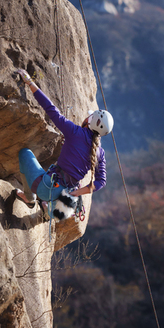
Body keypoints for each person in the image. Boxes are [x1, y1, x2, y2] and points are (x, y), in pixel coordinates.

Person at [14, 68, 113, 217]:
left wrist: (29, 82)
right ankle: (49, 210)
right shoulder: (100, 152)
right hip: (66, 197)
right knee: (58, 185)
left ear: (89, 121)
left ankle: (29, 198)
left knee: (25, 153)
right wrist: (76, 192)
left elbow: (51, 109)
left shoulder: (74, 132)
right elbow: (101, 182)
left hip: (47, 188)